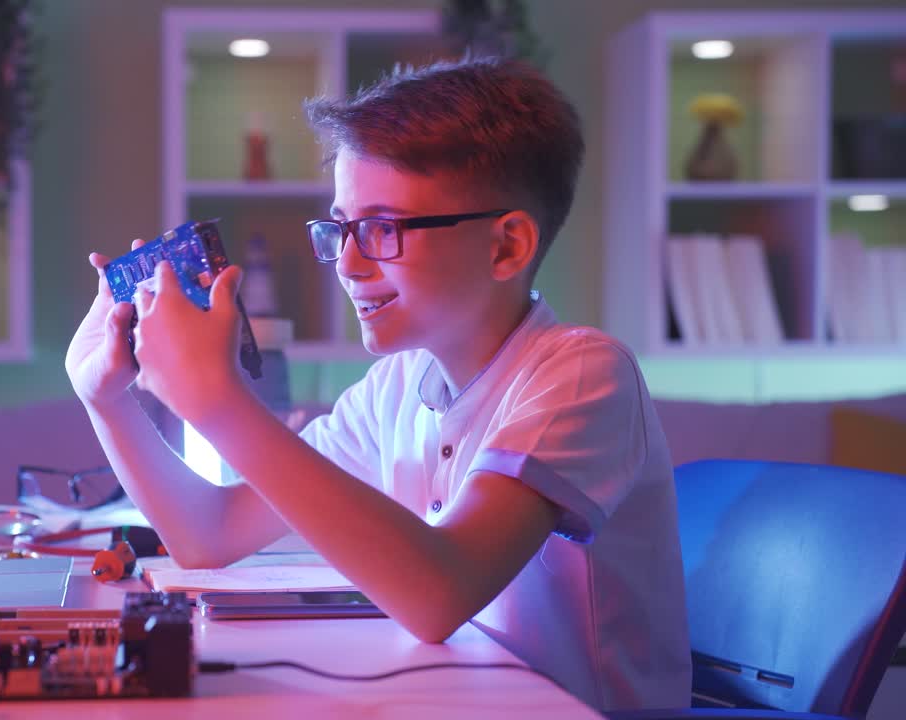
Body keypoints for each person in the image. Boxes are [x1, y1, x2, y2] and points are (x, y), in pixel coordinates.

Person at [65, 56, 690, 711]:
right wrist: (106, 400)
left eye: (384, 229)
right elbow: (208, 535)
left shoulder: (581, 374)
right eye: (339, 228)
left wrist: (219, 402)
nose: (350, 263)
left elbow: (439, 592)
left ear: (506, 247)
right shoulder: (395, 385)